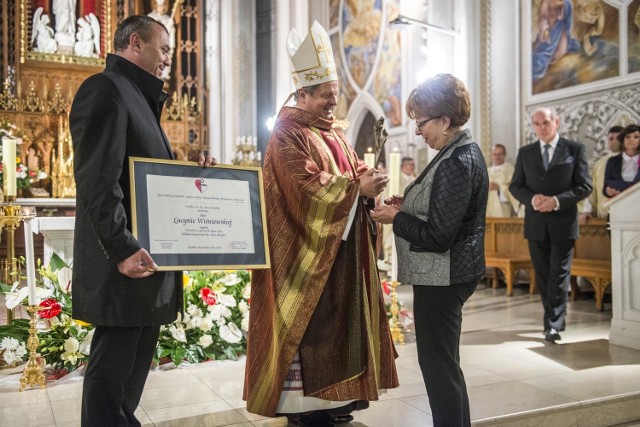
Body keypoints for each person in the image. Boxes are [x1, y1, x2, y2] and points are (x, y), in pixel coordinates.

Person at [243, 21, 399, 426]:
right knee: (313, 330)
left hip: (341, 255)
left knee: (341, 329)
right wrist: (354, 188)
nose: (334, 103)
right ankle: (305, 406)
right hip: (304, 255)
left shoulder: (334, 133)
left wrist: (370, 183)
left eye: (335, 96)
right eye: (326, 96)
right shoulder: (286, 135)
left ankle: (341, 400)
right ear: (302, 94)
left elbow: (351, 169)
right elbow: (304, 187)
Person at [70, 15, 215, 426]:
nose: (168, 60)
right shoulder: (105, 90)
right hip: (125, 263)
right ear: (135, 43)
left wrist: (197, 176)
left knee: (129, 377)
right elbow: (98, 180)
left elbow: (143, 178)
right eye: (164, 49)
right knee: (112, 372)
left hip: (144, 259)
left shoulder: (135, 95)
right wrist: (121, 248)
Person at [371, 73, 488, 427]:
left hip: (444, 276)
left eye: (422, 123)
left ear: (445, 120)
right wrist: (408, 205)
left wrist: (395, 218)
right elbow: (445, 208)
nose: (419, 131)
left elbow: (438, 235)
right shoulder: (456, 151)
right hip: (447, 273)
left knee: (438, 367)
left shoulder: (456, 160)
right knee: (444, 365)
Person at [509, 107, 592, 343]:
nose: (541, 128)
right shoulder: (526, 153)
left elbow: (584, 186)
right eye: (536, 124)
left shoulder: (574, 149)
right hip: (535, 224)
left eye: (545, 122)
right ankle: (553, 318)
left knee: (559, 274)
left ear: (556, 122)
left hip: (563, 223)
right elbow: (516, 186)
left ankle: (553, 324)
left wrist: (556, 201)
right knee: (544, 275)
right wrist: (533, 200)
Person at [588, 125, 623, 218]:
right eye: (611, 138)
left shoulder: (632, 161)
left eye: (618, 138)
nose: (614, 141)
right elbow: (592, 189)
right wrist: (587, 211)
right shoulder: (599, 165)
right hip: (603, 215)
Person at [603, 124, 640, 197]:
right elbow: (605, 188)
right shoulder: (612, 161)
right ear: (622, 140)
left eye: (636, 137)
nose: (631, 139)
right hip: (619, 204)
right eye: (628, 137)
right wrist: (608, 192)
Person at [148, 0, 176, 80]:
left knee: (164, 57)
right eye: (159, 6)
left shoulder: (167, 18)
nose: (161, 8)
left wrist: (170, 26)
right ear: (156, 6)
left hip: (164, 44)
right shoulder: (150, 17)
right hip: (155, 42)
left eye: (162, 6)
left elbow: (168, 32)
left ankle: (164, 75)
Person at [486, 144, 517, 217]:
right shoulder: (486, 172)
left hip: (503, 212)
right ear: (491, 155)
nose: (497, 157)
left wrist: (499, 189)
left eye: (500, 154)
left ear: (505, 155)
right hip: (486, 213)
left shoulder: (511, 171)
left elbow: (515, 191)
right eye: (495, 154)